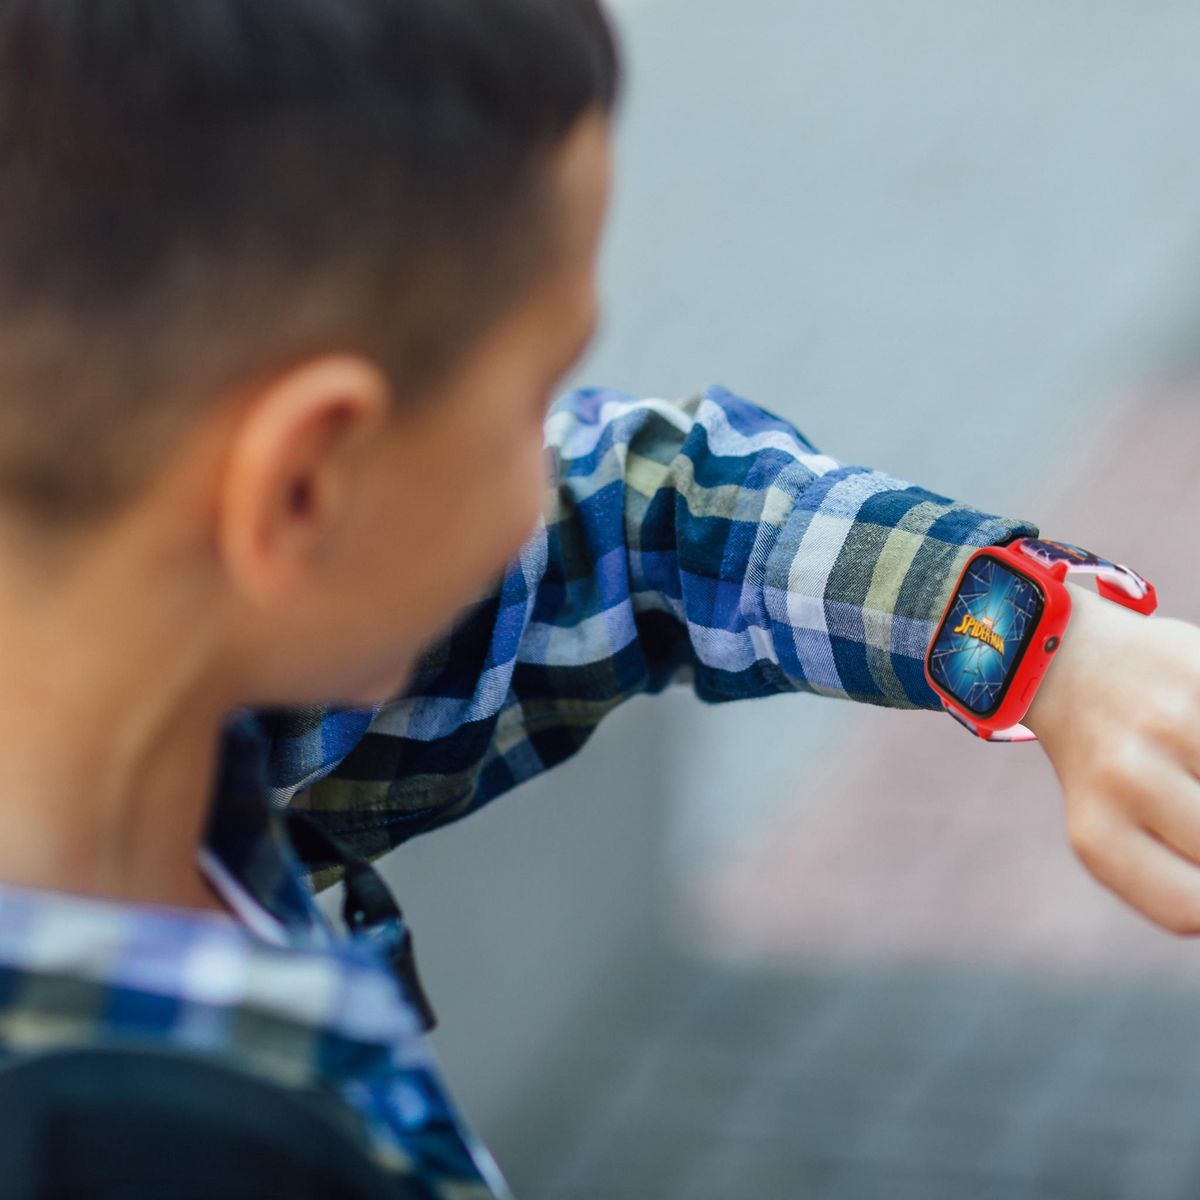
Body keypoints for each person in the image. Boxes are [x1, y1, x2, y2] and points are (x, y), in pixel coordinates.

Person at [0, 0, 1197, 1196]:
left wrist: (1040, 645)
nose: (554, 466)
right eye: (535, 396)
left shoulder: (198, 704)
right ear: (306, 490)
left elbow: (645, 521)